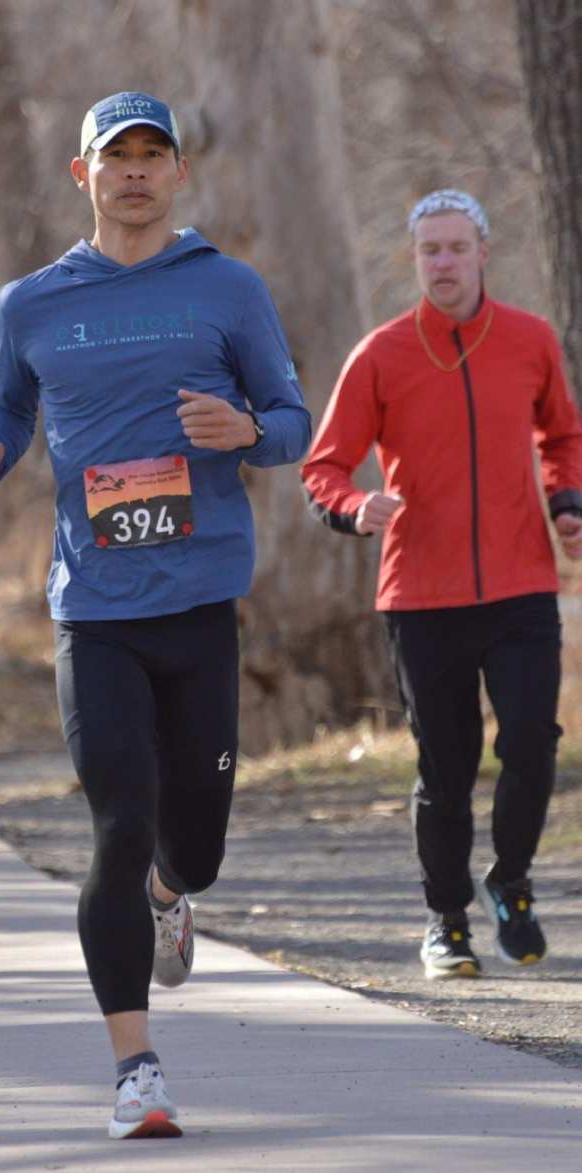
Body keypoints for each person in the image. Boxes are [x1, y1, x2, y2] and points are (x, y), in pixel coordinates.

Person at [0, 91, 310, 1137]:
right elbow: (5, 404)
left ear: (178, 173)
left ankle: (173, 890)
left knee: (190, 845)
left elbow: (290, 422)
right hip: (95, 606)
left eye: (156, 155)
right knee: (116, 819)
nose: (138, 172)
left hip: (198, 602)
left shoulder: (228, 290)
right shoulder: (32, 303)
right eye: (119, 157)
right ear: (85, 176)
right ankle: (135, 1068)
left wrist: (243, 426)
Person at [301, 188, 582, 981]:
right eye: (430, 250)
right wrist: (357, 507)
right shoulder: (382, 353)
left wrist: (567, 503)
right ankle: (446, 921)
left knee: (532, 741)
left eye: (457, 247)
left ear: (483, 252)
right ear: (414, 258)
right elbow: (321, 467)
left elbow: (562, 433)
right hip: (421, 594)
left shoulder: (527, 340)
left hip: (522, 581)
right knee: (446, 766)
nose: (444, 262)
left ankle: (512, 880)